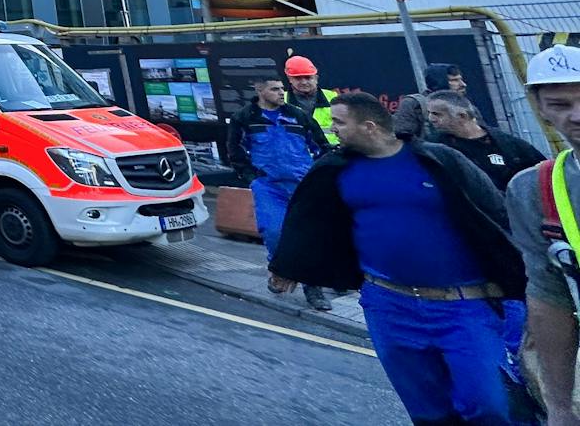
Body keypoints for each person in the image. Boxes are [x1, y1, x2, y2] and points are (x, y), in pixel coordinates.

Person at [270, 91, 526, 426]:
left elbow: (495, 212)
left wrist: (520, 278)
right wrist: (288, 266)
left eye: (339, 123)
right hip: (389, 306)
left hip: (465, 307)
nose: (333, 130)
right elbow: (309, 218)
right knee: (428, 411)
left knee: (491, 405)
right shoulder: (334, 171)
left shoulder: (439, 159)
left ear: (369, 126)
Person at [507, 44, 580, 426]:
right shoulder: (536, 190)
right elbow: (550, 300)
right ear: (540, 108)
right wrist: (560, 405)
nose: (578, 115)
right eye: (561, 104)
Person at [226, 74, 330, 311]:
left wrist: (314, 174)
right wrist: (253, 178)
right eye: (274, 89)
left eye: (281, 88)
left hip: (302, 186)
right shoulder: (245, 118)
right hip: (269, 186)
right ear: (260, 91)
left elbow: (321, 146)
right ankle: (279, 270)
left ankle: (313, 288)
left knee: (309, 236)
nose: (281, 92)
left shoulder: (297, 115)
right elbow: (235, 152)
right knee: (274, 231)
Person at [428, 91, 543, 193]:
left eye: (437, 114)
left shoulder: (509, 145)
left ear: (462, 116)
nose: (431, 119)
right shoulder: (435, 147)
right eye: (430, 113)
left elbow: (543, 173)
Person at [395, 63, 467, 141]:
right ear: (439, 81)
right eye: (454, 80)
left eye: (461, 79)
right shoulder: (414, 103)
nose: (463, 84)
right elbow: (403, 139)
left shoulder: (464, 105)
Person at [282, 55, 340, 146]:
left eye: (308, 77)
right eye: (298, 78)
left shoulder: (333, 97)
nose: (304, 82)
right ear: (290, 79)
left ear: (316, 78)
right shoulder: (281, 100)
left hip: (331, 152)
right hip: (296, 153)